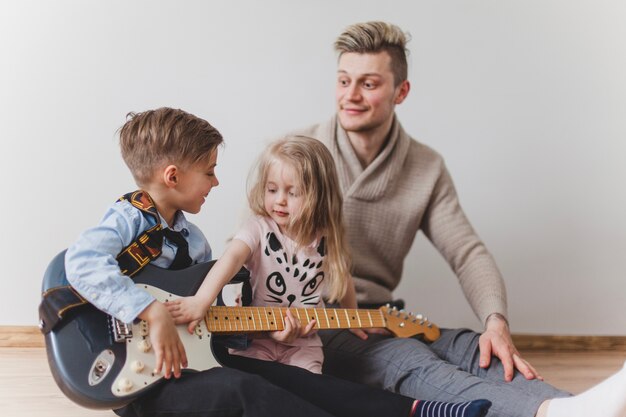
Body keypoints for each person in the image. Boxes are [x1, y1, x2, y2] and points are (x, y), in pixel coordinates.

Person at [289, 21, 626, 417]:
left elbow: (467, 253)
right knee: (405, 358)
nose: (351, 95)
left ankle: (583, 407)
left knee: (472, 347)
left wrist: (495, 322)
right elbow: (253, 243)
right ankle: (561, 413)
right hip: (317, 322)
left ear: (402, 91)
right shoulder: (300, 156)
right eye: (344, 81)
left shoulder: (425, 166)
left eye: (368, 83)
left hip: (382, 314)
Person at [63, 108, 490, 417]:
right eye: (209, 171)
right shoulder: (128, 218)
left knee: (298, 381)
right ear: (173, 176)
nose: (217, 181)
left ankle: (420, 410)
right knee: (251, 389)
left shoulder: (193, 241)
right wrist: (150, 311)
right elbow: (79, 263)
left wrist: (266, 325)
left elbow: (204, 322)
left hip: (190, 364)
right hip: (138, 376)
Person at [167, 135, 493, 417]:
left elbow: (342, 277)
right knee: (277, 399)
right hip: (255, 342)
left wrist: (353, 318)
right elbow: (228, 261)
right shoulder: (257, 228)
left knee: (313, 392)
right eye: (272, 189)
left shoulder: (326, 238)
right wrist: (200, 302)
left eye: (292, 192)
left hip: (304, 343)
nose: (279, 200)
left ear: (316, 196)